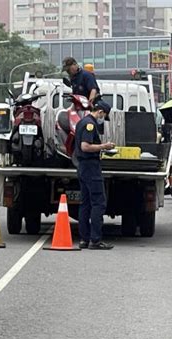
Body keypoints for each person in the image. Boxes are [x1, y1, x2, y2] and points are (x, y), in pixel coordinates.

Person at [75, 100, 115, 250]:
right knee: (98, 203)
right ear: (100, 112)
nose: (103, 119)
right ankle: (95, 240)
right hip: (91, 167)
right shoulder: (89, 124)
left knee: (85, 204)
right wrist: (104, 147)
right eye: (103, 116)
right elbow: (85, 146)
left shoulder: (81, 122)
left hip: (82, 167)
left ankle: (85, 239)